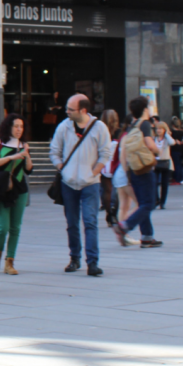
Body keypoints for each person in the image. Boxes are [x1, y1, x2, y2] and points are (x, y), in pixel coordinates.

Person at [49, 93, 113, 276]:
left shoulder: (99, 128)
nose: (66, 111)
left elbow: (105, 153)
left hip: (90, 184)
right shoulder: (64, 127)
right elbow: (54, 150)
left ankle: (92, 262)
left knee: (90, 222)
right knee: (72, 223)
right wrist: (62, 168)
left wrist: (94, 171)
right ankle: (74, 258)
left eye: (71, 108)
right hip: (68, 183)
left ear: (83, 110)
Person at [112, 96, 164, 249]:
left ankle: (147, 237)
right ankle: (125, 226)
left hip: (133, 169)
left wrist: (127, 171)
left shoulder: (131, 126)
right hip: (145, 168)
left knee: (143, 203)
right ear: (145, 109)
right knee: (149, 203)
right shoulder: (145, 124)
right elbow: (149, 144)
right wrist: (156, 150)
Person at [0, 113, 33, 275]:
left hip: (19, 190)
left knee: (15, 227)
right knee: (2, 227)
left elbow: (29, 169)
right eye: (16, 126)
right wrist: (12, 157)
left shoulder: (23, 145)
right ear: (9, 127)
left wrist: (26, 154)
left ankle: (10, 262)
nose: (19, 129)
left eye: (21, 127)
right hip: (2, 189)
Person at [100, 109, 121, 225]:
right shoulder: (119, 131)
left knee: (106, 190)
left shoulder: (100, 131)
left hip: (103, 162)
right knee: (116, 189)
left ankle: (109, 214)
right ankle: (114, 213)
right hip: (116, 161)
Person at [152, 121, 175, 209]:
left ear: (164, 130)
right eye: (157, 128)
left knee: (164, 184)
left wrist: (167, 135)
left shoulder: (166, 139)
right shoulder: (154, 139)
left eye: (161, 129)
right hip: (156, 163)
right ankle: (156, 200)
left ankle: (163, 202)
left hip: (165, 163)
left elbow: (172, 143)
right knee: (154, 183)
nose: (159, 131)